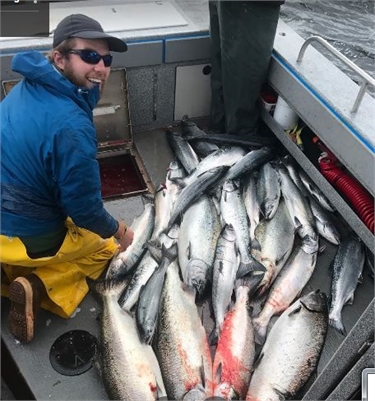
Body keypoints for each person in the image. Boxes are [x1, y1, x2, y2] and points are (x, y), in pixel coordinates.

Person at [0, 14, 134, 343]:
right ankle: (40, 284)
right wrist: (122, 232)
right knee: (103, 250)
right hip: (21, 232)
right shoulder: (72, 126)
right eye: (89, 55)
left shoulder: (26, 87)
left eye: (106, 59)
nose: (101, 67)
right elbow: (85, 210)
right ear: (59, 57)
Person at [208, 0, 284, 136]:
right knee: (242, 76)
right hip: (249, 7)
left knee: (224, 64)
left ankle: (218, 133)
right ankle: (238, 140)